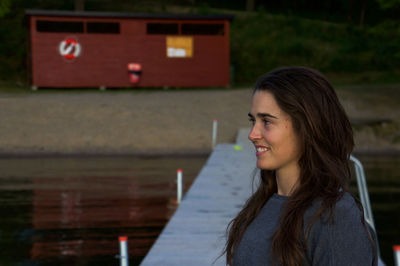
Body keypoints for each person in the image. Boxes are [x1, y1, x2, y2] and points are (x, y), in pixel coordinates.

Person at [224, 66, 377, 266]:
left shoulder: (335, 217)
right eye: (254, 120)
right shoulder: (260, 206)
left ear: (306, 127)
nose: (252, 134)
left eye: (267, 121)